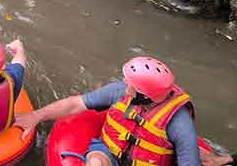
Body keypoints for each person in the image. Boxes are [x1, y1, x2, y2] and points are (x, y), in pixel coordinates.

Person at [15, 57, 200, 166]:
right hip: (108, 153)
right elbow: (74, 104)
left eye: (131, 85)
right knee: (95, 163)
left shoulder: (179, 123)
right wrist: (36, 116)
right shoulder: (119, 91)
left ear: (146, 96)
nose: (125, 85)